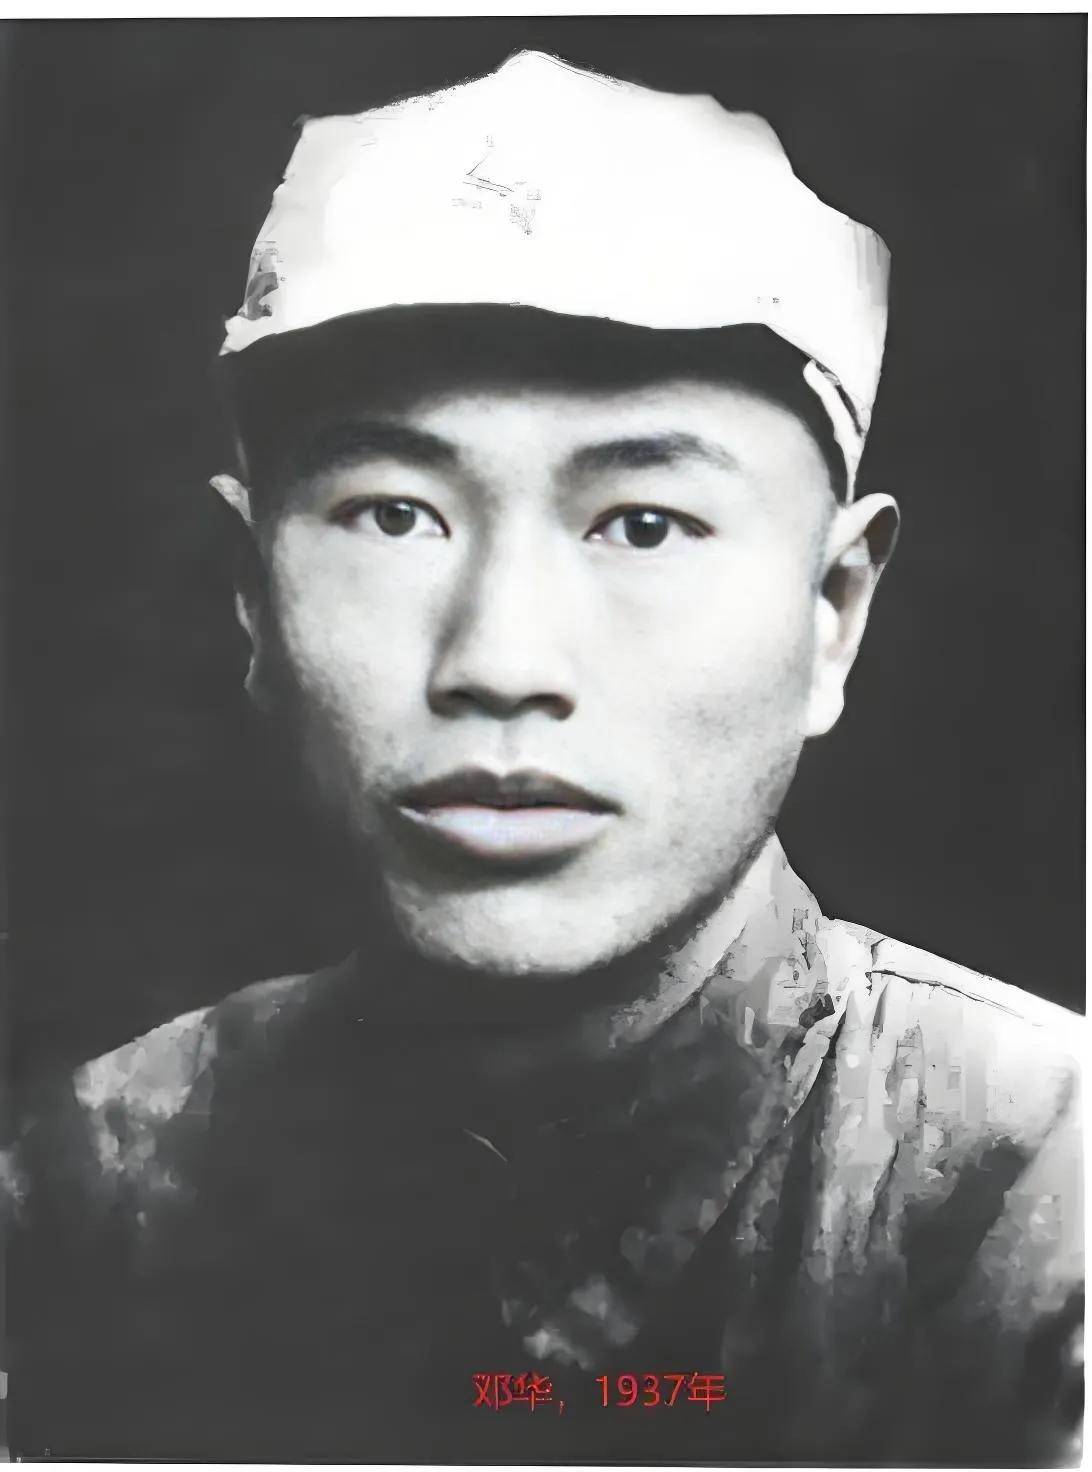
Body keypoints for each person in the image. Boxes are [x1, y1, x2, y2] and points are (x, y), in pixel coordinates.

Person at [10, 50, 1082, 1464]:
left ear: (832, 612)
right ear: (249, 594)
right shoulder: (93, 1176)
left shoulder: (1048, 1191)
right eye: (394, 514)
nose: (502, 660)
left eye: (644, 523)